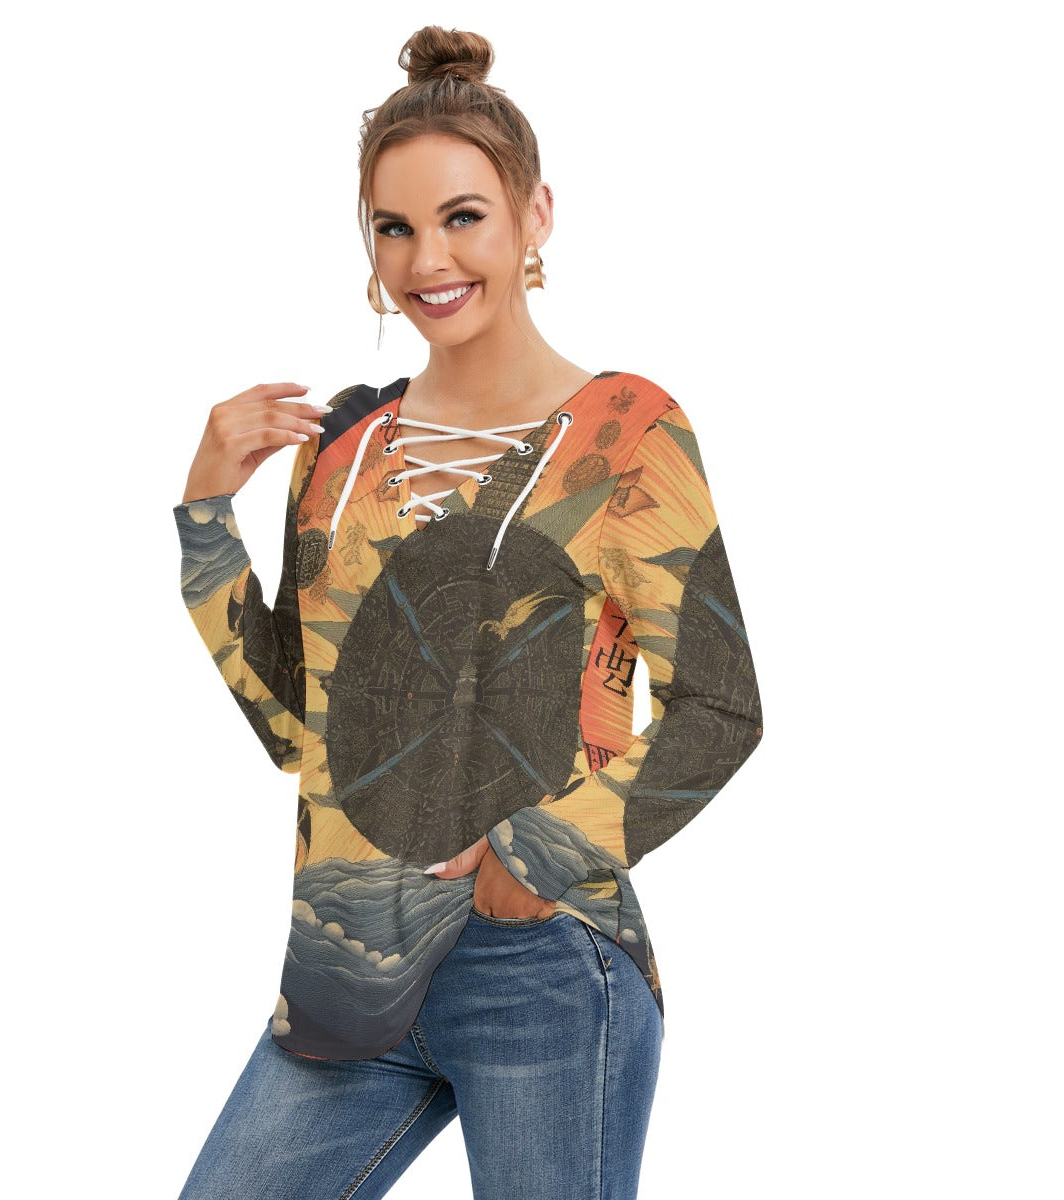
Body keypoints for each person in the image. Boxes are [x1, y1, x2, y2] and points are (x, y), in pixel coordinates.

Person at [171, 24, 764, 1200]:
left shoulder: (627, 433)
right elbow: (300, 729)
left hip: (538, 967)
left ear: (535, 215)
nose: (427, 258)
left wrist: (537, 856)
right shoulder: (341, 447)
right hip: (345, 976)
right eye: (394, 226)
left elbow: (721, 704)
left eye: (462, 217)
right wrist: (204, 519)